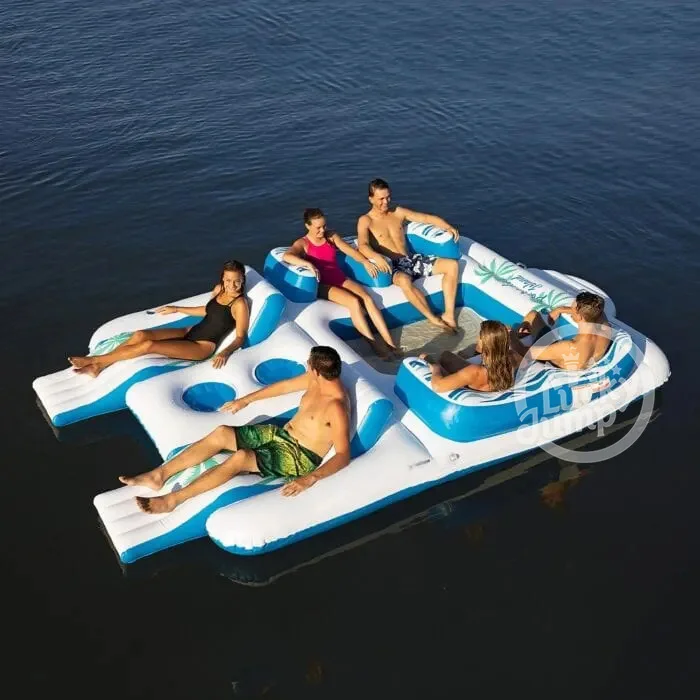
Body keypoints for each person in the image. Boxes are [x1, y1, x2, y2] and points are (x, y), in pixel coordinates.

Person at [119, 346, 352, 513]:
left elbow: (343, 455)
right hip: (282, 435)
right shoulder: (315, 380)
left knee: (241, 457)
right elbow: (283, 387)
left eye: (309, 364)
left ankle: (173, 500)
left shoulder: (336, 406)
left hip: (298, 456)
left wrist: (309, 479)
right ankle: (158, 475)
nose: (307, 366)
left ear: (316, 370)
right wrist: (246, 400)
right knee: (222, 432)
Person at [68, 260, 250, 377]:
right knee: (140, 335)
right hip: (189, 332)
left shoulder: (239, 304)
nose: (232, 285)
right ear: (222, 278)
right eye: (228, 280)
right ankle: (100, 363)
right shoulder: (219, 290)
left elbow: (240, 337)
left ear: (242, 280)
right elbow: (209, 311)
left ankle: (96, 362)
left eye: (237, 281)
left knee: (148, 345)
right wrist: (177, 309)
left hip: (202, 346)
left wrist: (225, 352)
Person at [283, 208, 401, 360]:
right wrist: (308, 264)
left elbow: (349, 251)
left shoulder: (331, 236)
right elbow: (287, 256)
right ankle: (375, 345)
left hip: (340, 278)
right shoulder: (303, 243)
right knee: (354, 302)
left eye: (324, 226)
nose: (322, 230)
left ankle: (390, 343)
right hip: (323, 285)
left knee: (367, 299)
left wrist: (365, 262)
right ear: (308, 226)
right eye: (318, 228)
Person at [357, 178, 460, 333]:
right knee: (404, 280)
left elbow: (426, 218)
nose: (386, 202)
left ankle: (449, 315)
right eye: (381, 199)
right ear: (371, 199)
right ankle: (432, 318)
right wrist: (377, 257)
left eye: (388, 197)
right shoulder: (366, 220)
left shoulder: (398, 212)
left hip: (411, 259)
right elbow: (363, 245)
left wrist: (447, 227)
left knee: (452, 265)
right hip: (393, 265)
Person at [510, 291, 612, 370]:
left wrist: (510, 334)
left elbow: (525, 352)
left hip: (549, 363)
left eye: (572, 309)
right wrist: (561, 309)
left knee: (532, 316)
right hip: (578, 361)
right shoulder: (605, 328)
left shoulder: (569, 347)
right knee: (532, 317)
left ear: (579, 316)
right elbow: (592, 312)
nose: (570, 310)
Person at [420, 320, 519, 393]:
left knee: (438, 356)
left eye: (480, 336)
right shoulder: (513, 356)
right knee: (448, 355)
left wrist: (436, 367)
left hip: (474, 382)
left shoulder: (474, 372)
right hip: (488, 385)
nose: (478, 338)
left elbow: (437, 387)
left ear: (483, 342)